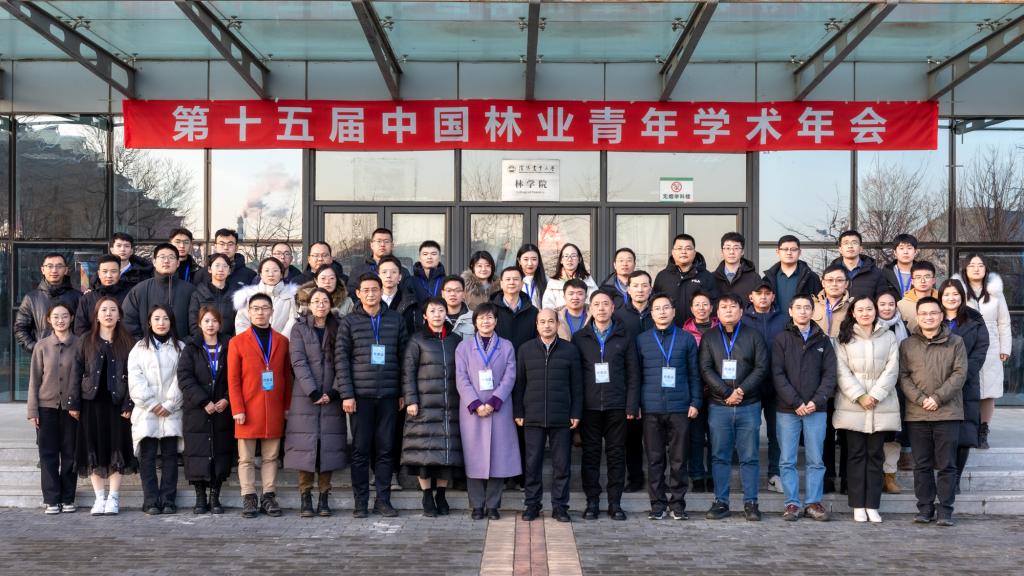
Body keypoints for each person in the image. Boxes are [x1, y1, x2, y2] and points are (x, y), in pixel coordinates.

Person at [335, 272, 410, 518]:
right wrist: (347, 394)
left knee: (386, 449)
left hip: (389, 395)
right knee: (360, 450)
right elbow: (341, 360)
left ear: (381, 291)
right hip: (360, 397)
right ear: (357, 293)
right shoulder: (349, 322)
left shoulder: (395, 319)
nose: (370, 294)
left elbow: (404, 358)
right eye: (365, 290)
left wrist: (402, 391)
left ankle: (383, 500)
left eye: (374, 289)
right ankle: (360, 502)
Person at [700, 293, 768, 521]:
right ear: (717, 312)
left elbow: (761, 367)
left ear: (741, 311)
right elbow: (705, 368)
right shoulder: (709, 337)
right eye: (723, 306)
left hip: (749, 404)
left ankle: (751, 503)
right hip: (719, 406)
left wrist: (740, 391)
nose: (728, 310)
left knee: (749, 456)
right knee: (720, 456)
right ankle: (721, 502)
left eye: (733, 306)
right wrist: (726, 392)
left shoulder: (754, 335)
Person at [833, 295, 901, 523]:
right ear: (853, 313)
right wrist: (860, 396)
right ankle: (857, 505)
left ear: (875, 311)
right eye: (860, 310)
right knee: (855, 455)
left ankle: (872, 504)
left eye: (869, 309)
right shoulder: (844, 338)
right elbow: (841, 371)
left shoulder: (888, 336)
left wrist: (875, 395)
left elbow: (892, 369)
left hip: (881, 404)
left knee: (875, 455)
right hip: (852, 405)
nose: (865, 313)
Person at [900, 296, 967, 526]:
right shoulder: (907, 344)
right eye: (924, 313)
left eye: (933, 313)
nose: (928, 317)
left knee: (947, 464)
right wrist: (921, 399)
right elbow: (903, 376)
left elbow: (960, 374)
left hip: (948, 413)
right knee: (922, 465)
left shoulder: (956, 342)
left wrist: (937, 398)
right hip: (917, 414)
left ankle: (945, 510)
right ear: (917, 317)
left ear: (941, 316)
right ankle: (925, 509)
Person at [573, 290, 639, 521]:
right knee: (590, 456)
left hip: (617, 406)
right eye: (596, 304)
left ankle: (614, 503)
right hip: (589, 407)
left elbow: (633, 373)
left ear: (613, 308)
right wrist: (576, 409)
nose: (601, 308)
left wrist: (631, 405)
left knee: (616, 455)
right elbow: (575, 377)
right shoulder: (580, 338)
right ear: (590, 309)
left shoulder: (624, 336)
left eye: (605, 304)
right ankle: (592, 502)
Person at [634, 292, 701, 520]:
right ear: (651, 314)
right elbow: (636, 376)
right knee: (654, 459)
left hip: (680, 407)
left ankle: (678, 504)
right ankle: (657, 504)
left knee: (679, 459)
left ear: (673, 312)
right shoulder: (642, 340)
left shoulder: (686, 339)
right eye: (657, 308)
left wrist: (695, 401)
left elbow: (694, 373)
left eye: (666, 308)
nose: (662, 312)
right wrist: (636, 404)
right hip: (651, 408)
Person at [773, 294, 838, 522]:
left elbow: (830, 374)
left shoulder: (823, 340)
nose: (802, 311)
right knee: (787, 459)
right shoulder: (781, 339)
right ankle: (792, 503)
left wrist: (816, 401)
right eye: (798, 307)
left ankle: (813, 502)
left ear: (813, 311)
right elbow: (777, 373)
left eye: (807, 307)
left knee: (816, 460)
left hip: (815, 409)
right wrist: (796, 402)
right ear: (790, 311)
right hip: (787, 409)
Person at [514, 309, 583, 523]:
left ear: (557, 324)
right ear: (536, 325)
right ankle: (532, 505)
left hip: (561, 416)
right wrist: (518, 411)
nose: (546, 325)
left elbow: (577, 385)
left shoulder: (570, 350)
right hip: (532, 416)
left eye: (551, 321)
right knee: (532, 464)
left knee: (561, 465)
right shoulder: (525, 350)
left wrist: (576, 412)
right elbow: (519, 383)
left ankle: (560, 507)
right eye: (542, 322)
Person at [228, 293, 293, 519]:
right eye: (255, 308)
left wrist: (286, 406)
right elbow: (233, 379)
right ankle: (248, 496)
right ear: (248, 312)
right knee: (245, 458)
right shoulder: (237, 342)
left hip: (274, 406)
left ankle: (268, 495)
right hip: (247, 407)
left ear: (272, 312)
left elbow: (287, 377)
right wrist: (237, 408)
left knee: (271, 456)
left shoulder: (282, 341)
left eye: (265, 308)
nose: (260, 312)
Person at [286, 288, 349, 518]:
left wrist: (334, 391)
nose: (320, 304)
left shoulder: (340, 326)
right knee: (305, 447)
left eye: (324, 301)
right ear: (309, 304)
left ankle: (324, 496)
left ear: (331, 304)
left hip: (332, 396)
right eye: (316, 301)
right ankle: (305, 496)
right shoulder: (299, 328)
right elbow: (298, 361)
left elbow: (344, 361)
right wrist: (312, 392)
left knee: (327, 448)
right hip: (305, 397)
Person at [455, 303, 520, 520]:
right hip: (472, 412)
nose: (486, 321)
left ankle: (493, 505)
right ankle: (476, 505)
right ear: (475, 321)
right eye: (481, 318)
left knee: (498, 458)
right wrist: (475, 404)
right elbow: (461, 378)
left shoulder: (507, 346)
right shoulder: (464, 348)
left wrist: (493, 401)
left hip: (499, 409)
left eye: (490, 317)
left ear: (496, 321)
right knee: (474, 457)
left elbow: (510, 376)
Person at [401, 297, 464, 517]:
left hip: (450, 404)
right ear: (425, 315)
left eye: (441, 310)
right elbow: (408, 372)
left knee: (447, 452)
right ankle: (427, 495)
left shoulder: (455, 340)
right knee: (424, 452)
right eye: (432, 311)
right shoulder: (417, 340)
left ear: (446, 314)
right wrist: (411, 399)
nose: (437, 315)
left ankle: (442, 495)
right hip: (424, 405)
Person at [75, 297, 137, 516]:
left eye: (112, 310)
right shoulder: (85, 340)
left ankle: (114, 497)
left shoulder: (128, 341)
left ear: (119, 315)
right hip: (90, 403)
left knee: (116, 449)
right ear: (97, 315)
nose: (108, 314)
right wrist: (74, 402)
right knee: (93, 449)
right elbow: (76, 371)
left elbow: (134, 375)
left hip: (117, 404)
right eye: (104, 310)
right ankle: (99, 497)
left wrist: (129, 402)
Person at [127, 305, 185, 515]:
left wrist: (170, 404)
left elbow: (183, 377)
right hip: (146, 412)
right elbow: (135, 380)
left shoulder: (180, 347)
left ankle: (168, 500)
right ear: (149, 322)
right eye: (157, 318)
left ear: (171, 322)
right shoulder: (138, 349)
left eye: (166, 318)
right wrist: (152, 404)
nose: (161, 323)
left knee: (170, 456)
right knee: (148, 457)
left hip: (172, 411)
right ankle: (150, 500)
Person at [176, 306, 234, 515]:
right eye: (206, 321)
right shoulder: (191, 347)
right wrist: (203, 401)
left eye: (214, 321)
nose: (211, 325)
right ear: (200, 323)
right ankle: (200, 497)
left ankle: (215, 497)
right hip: (197, 411)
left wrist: (227, 399)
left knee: (220, 452)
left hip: (222, 410)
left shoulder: (229, 345)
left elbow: (236, 376)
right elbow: (185, 377)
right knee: (197, 453)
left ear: (220, 323)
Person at [954, 254, 1012, 449]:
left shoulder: (996, 293)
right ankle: (966, 429)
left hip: (991, 347)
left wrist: (1005, 348)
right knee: (965, 387)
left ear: (986, 269)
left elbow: (1004, 322)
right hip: (965, 343)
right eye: (972, 265)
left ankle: (983, 430)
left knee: (988, 391)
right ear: (965, 268)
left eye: (980, 265)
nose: (976, 268)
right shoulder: (958, 291)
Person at [27, 303, 80, 514]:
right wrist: (32, 410)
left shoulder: (80, 344)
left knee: (70, 454)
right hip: (46, 408)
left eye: (65, 316)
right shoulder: (41, 346)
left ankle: (68, 498)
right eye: (56, 316)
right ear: (49, 319)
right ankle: (51, 499)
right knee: (47, 454)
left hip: (71, 409)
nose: (60, 320)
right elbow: (34, 380)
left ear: (71, 318)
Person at [938, 279, 989, 495]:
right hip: (937, 384)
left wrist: (961, 376)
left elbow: (980, 350)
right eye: (947, 294)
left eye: (955, 294)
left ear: (962, 296)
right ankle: (944, 477)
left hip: (966, 384)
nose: (951, 298)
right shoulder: (933, 317)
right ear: (940, 297)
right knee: (943, 435)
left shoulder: (974, 320)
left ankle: (955, 479)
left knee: (964, 433)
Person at [744, 280, 788, 494]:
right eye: (758, 293)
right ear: (750, 297)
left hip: (776, 384)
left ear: (773, 297)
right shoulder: (742, 319)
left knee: (775, 433)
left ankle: (774, 474)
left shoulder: (784, 320)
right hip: (749, 385)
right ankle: (749, 475)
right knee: (749, 432)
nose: (763, 297)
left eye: (767, 293)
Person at [613, 270, 655, 493]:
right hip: (628, 381)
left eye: (644, 285)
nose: (640, 289)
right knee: (632, 435)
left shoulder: (658, 312)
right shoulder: (618, 316)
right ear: (628, 289)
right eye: (635, 285)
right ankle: (635, 477)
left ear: (650, 288)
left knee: (656, 435)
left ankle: (658, 478)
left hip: (655, 380)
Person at [813, 264, 852, 494]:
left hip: (848, 379)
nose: (834, 284)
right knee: (824, 432)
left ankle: (847, 479)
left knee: (846, 432)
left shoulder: (854, 307)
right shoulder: (813, 306)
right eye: (830, 280)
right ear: (823, 282)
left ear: (846, 284)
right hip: (820, 379)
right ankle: (827, 478)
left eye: (839, 280)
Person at [681, 290, 718, 493]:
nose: (701, 308)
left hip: (718, 392)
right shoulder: (684, 332)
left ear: (711, 308)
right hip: (693, 391)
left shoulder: (721, 329)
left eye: (705, 304)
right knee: (695, 437)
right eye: (697, 304)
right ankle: (696, 475)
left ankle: (712, 475)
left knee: (715, 436)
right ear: (691, 308)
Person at [876, 290, 912, 493]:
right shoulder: (868, 325)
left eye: (891, 304)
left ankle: (889, 475)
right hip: (874, 388)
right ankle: (875, 474)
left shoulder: (903, 327)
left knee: (894, 435)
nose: (887, 308)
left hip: (898, 388)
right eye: (882, 304)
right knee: (876, 434)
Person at [122, 242, 194, 340]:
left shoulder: (190, 290)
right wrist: (145, 344)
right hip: (147, 348)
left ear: (178, 263)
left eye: (171, 257)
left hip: (182, 348)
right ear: (154, 262)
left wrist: (184, 345)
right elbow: (128, 322)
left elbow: (198, 324)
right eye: (162, 257)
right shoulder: (139, 290)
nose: (166, 261)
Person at [15, 252, 83, 354]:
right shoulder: (31, 298)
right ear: (43, 270)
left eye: (59, 266)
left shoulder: (78, 297)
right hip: (43, 357)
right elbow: (20, 328)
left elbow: (85, 328)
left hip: (73, 356)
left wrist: (79, 349)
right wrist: (36, 348)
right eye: (49, 266)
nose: (54, 270)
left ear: (66, 270)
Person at [653, 234, 719, 326]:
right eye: (679, 248)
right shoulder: (662, 277)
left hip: (698, 331)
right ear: (673, 252)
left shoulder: (706, 276)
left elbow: (715, 305)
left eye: (688, 248)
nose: (683, 252)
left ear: (694, 252)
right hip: (669, 330)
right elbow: (655, 305)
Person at [233, 257, 299, 339]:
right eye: (267, 271)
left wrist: (280, 341)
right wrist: (250, 341)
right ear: (260, 274)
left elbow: (293, 321)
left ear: (281, 274)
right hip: (252, 343)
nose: (271, 274)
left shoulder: (291, 296)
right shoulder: (249, 295)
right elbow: (242, 321)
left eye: (275, 271)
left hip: (282, 343)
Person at [762, 235, 822, 313]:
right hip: (774, 320)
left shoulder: (811, 277)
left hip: (802, 320)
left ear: (799, 252)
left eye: (793, 249)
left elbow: (819, 306)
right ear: (778, 252)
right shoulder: (767, 279)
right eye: (785, 249)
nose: (789, 253)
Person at [347, 227, 411, 300]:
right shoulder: (358, 271)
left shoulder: (402, 271)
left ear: (392, 246)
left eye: (386, 241)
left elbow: (408, 296)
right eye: (379, 241)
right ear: (372, 245)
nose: (382, 244)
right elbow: (352, 296)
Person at [75, 254, 129, 336]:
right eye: (105, 271)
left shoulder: (129, 296)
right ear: (99, 274)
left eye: (113, 271)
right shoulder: (87, 298)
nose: (109, 276)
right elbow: (80, 328)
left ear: (119, 273)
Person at [194, 229, 258, 294]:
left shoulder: (250, 275)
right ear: (215, 247)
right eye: (222, 244)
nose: (226, 247)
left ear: (236, 247)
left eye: (230, 244)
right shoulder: (201, 274)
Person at [189, 253, 237, 339]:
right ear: (209, 269)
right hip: (203, 342)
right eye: (217, 266)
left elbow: (238, 322)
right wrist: (204, 340)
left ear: (229, 271)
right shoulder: (198, 294)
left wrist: (230, 341)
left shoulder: (236, 295)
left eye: (225, 266)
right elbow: (193, 323)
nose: (221, 269)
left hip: (229, 342)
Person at [491, 266, 538, 350]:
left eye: (516, 279)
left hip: (525, 357)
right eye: (508, 279)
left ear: (522, 284)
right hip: (498, 356)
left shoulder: (533, 311)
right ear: (501, 284)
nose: (511, 282)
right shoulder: (490, 309)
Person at [831, 230, 888, 299]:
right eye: (846, 243)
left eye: (854, 243)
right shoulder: (830, 273)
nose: (850, 246)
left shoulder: (876, 273)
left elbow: (882, 300)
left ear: (861, 248)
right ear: (840, 249)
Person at [542, 243, 598, 310]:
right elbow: (547, 306)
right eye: (566, 256)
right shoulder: (553, 282)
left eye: (573, 256)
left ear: (579, 259)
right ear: (561, 260)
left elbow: (596, 303)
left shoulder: (588, 280)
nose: (569, 259)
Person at [377, 255, 419, 331]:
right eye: (384, 272)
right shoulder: (370, 301)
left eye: (393, 272)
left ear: (400, 277)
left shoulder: (411, 302)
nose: (388, 276)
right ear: (379, 277)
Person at [713, 232, 761, 298]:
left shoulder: (754, 278)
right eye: (728, 248)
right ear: (722, 252)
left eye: (736, 248)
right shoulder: (712, 278)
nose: (731, 252)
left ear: (742, 252)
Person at [896, 261, 938, 332]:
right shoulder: (901, 305)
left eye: (927, 277)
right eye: (918, 277)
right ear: (912, 281)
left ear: (934, 280)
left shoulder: (943, 301)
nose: (923, 281)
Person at [882, 233, 921, 299]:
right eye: (901, 248)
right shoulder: (885, 273)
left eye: (909, 248)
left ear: (915, 252)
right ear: (895, 252)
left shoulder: (924, 272)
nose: (905, 252)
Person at [516, 243, 548, 309]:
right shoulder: (513, 281)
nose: (530, 263)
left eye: (534, 259)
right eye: (526, 259)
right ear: (519, 261)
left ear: (538, 261)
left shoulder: (547, 281)